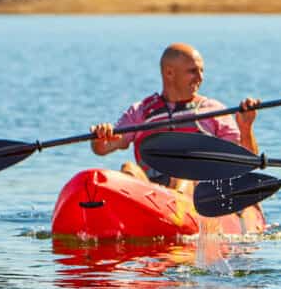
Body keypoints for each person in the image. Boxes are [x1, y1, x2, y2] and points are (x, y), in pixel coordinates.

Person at [90, 42, 260, 192]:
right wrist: (100, 137)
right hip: (150, 191)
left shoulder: (214, 111)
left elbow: (246, 163)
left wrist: (246, 128)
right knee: (128, 169)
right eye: (193, 71)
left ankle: (176, 208)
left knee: (182, 175)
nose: (200, 78)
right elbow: (103, 148)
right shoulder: (140, 111)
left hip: (195, 194)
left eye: (202, 71)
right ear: (169, 73)